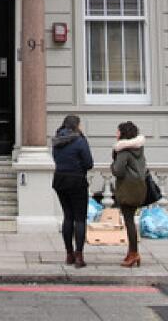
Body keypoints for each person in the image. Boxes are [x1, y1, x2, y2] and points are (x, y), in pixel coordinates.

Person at [51, 114, 94, 268]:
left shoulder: (56, 141)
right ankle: (79, 256)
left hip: (60, 180)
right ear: (76, 125)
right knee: (80, 219)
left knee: (67, 217)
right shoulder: (79, 141)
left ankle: (68, 254)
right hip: (76, 180)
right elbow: (89, 163)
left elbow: (56, 159)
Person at [110, 120, 147, 268]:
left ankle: (133, 253)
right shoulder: (139, 149)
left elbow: (118, 170)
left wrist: (112, 166)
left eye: (118, 131)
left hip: (127, 187)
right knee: (130, 219)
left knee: (129, 221)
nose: (116, 134)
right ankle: (132, 252)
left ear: (123, 134)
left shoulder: (123, 150)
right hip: (139, 186)